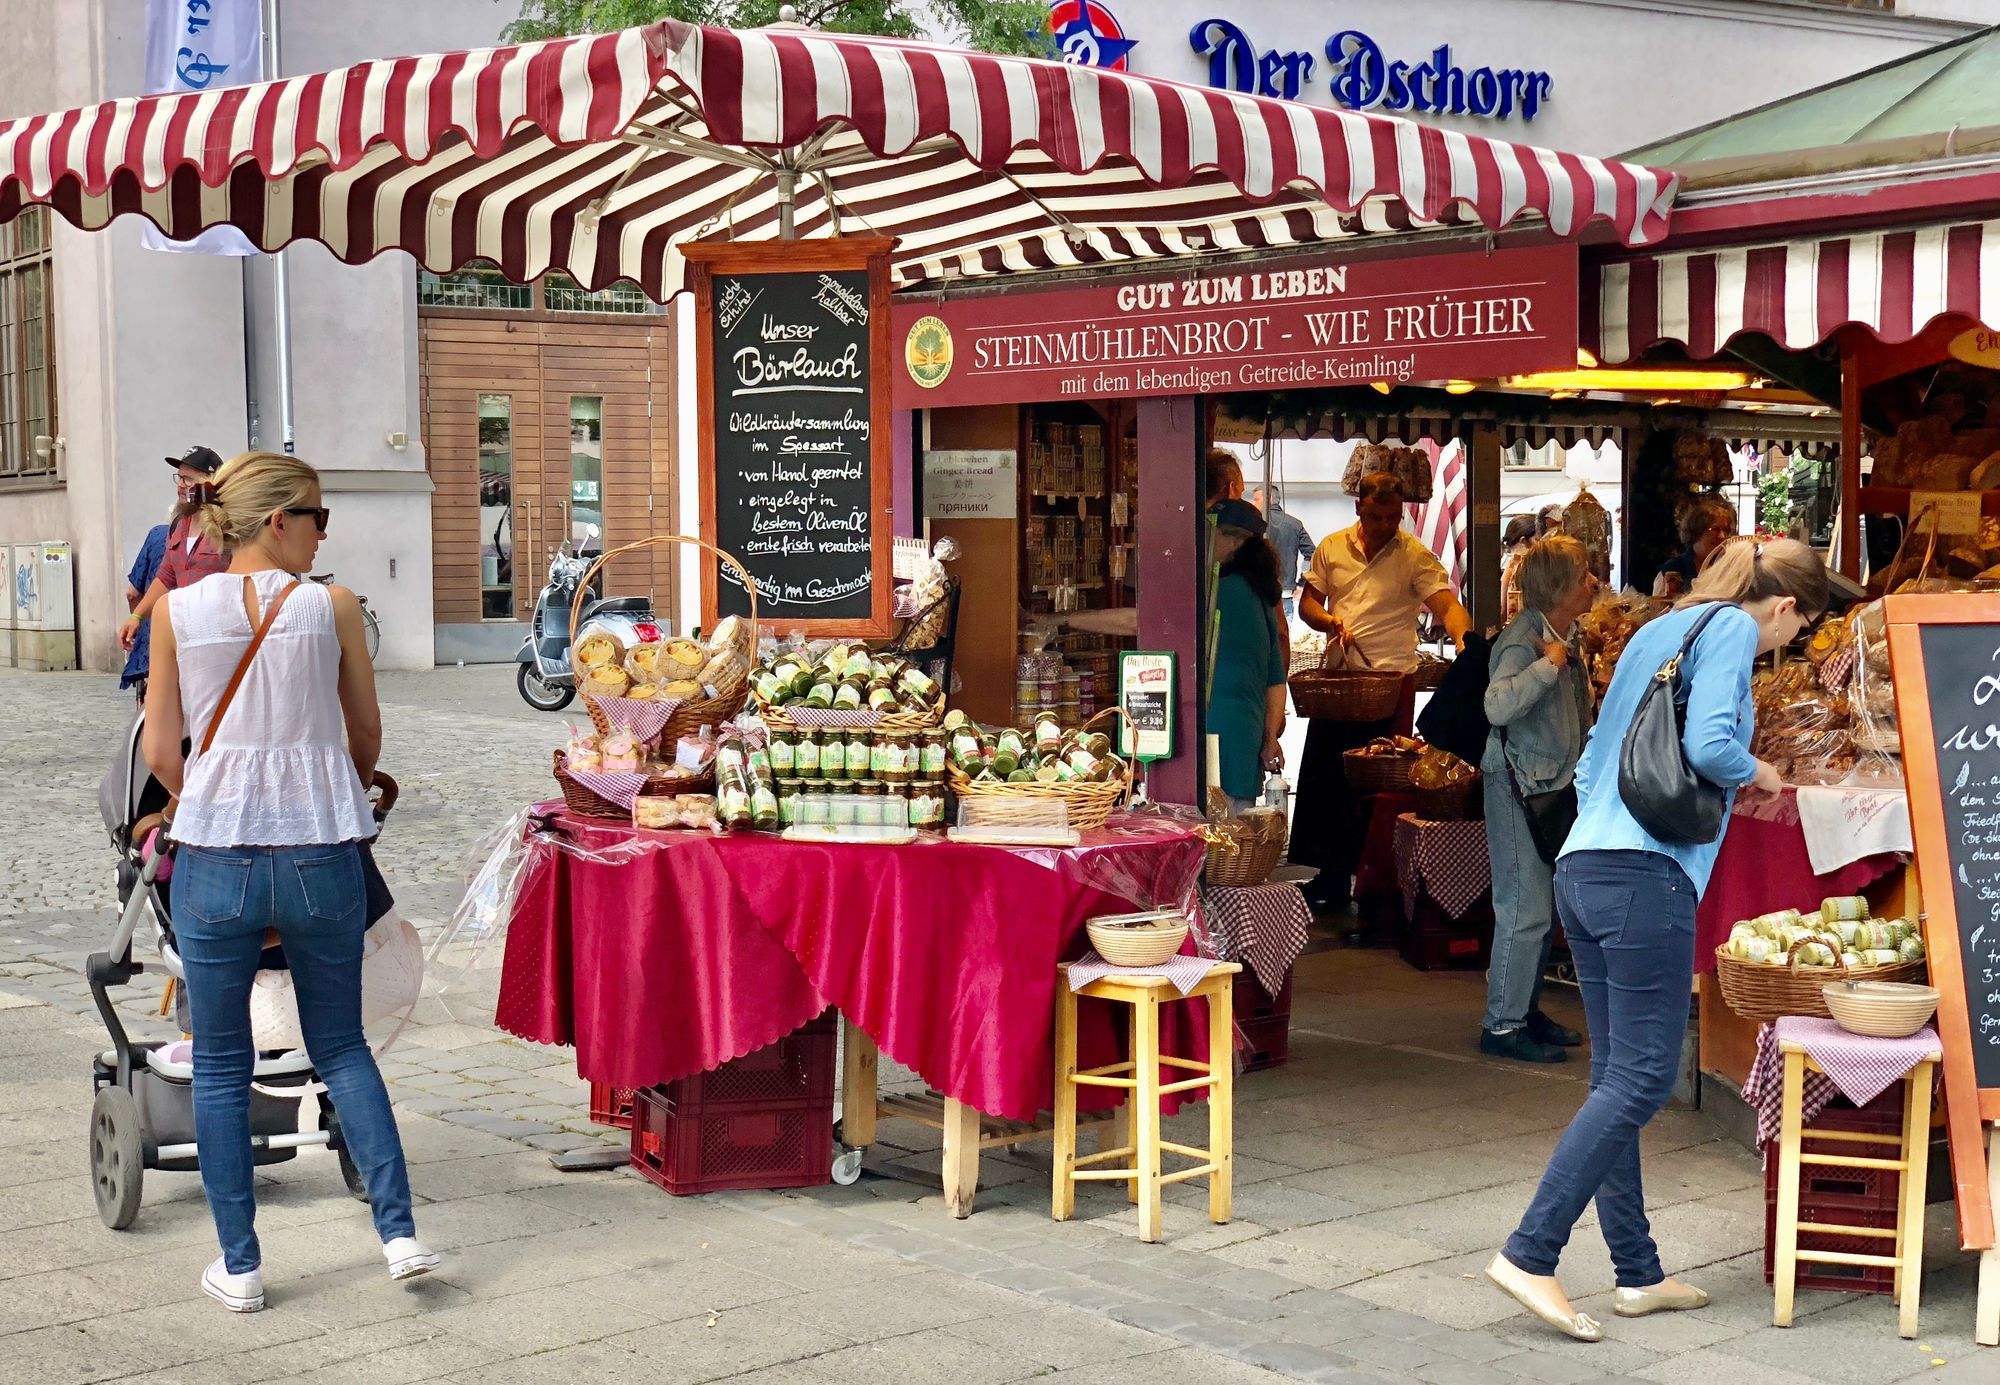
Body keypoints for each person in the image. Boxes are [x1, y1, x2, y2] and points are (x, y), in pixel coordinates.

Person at [1485, 536, 1828, 1342]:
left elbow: (1599, 751)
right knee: (1639, 1080)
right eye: (1799, 628)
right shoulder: (1734, 632)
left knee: (1616, 1076)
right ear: (1783, 605)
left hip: (1585, 865)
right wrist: (1764, 773)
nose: (1787, 645)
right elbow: (1710, 745)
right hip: (1648, 875)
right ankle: (1532, 1252)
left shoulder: (1656, 629)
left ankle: (1636, 1271)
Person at [142, 451, 437, 1313]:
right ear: (278, 520)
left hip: (215, 857)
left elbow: (162, 750)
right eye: (317, 517)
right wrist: (328, 779)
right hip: (320, 852)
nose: (322, 534)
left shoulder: (177, 612)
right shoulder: (332, 607)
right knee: (340, 1046)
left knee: (226, 1064)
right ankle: (400, 1235)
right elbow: (366, 737)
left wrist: (214, 797)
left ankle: (240, 1267)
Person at [1291, 472, 1473, 911]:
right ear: (1359, 508)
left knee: (1381, 785)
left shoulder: (1413, 555)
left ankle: (1375, 883)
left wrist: (1465, 642)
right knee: (1326, 777)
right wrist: (1330, 622)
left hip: (1390, 683)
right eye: (1376, 516)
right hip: (1341, 681)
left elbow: (1446, 605)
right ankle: (1330, 876)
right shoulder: (1332, 547)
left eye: (1393, 517)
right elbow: (1307, 603)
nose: (1384, 525)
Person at [1480, 536, 1597, 1064]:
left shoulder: (1565, 632)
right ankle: (1502, 1025)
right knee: (1523, 910)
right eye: (1583, 576)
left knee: (1540, 911)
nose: (1593, 582)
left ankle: (1524, 1009)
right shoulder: (1522, 641)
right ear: (1556, 588)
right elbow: (1498, 705)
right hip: (1518, 789)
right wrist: (1547, 666)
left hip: (1550, 787)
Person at [1208, 499, 1287, 812]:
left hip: (1215, 739)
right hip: (1245, 736)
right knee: (1236, 842)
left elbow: (1141, 619)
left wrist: (1067, 619)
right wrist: (1269, 738)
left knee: (1213, 848)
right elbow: (1276, 679)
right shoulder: (1259, 596)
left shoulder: (1219, 592)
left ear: (1234, 541)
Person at [121, 445, 231, 654]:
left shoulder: (227, 526)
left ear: (210, 481)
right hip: (183, 635)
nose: (180, 485)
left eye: (188, 479)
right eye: (179, 478)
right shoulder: (180, 524)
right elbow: (166, 576)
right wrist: (137, 616)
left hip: (220, 635)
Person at [120, 522, 170, 699]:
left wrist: (136, 620)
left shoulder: (158, 535)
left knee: (155, 695)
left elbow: (132, 594)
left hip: (154, 629)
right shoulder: (217, 535)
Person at [1652, 495, 1737, 597]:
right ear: (1696, 531)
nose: (1722, 536)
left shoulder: (1731, 568)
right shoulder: (1670, 571)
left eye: (1726, 530)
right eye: (1715, 529)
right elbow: (1659, 610)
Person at [1263, 491, 1315, 620]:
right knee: (1284, 636)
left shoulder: (1256, 523)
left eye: (1256, 499)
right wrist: (1302, 583)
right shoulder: (1295, 524)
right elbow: (1312, 554)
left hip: (1260, 593)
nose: (1254, 503)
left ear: (1268, 498)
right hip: (1285, 592)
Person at [1498, 515, 1539, 624]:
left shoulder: (1514, 565)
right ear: (1523, 541)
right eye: (1537, 540)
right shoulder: (1514, 566)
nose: (1540, 545)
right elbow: (1504, 609)